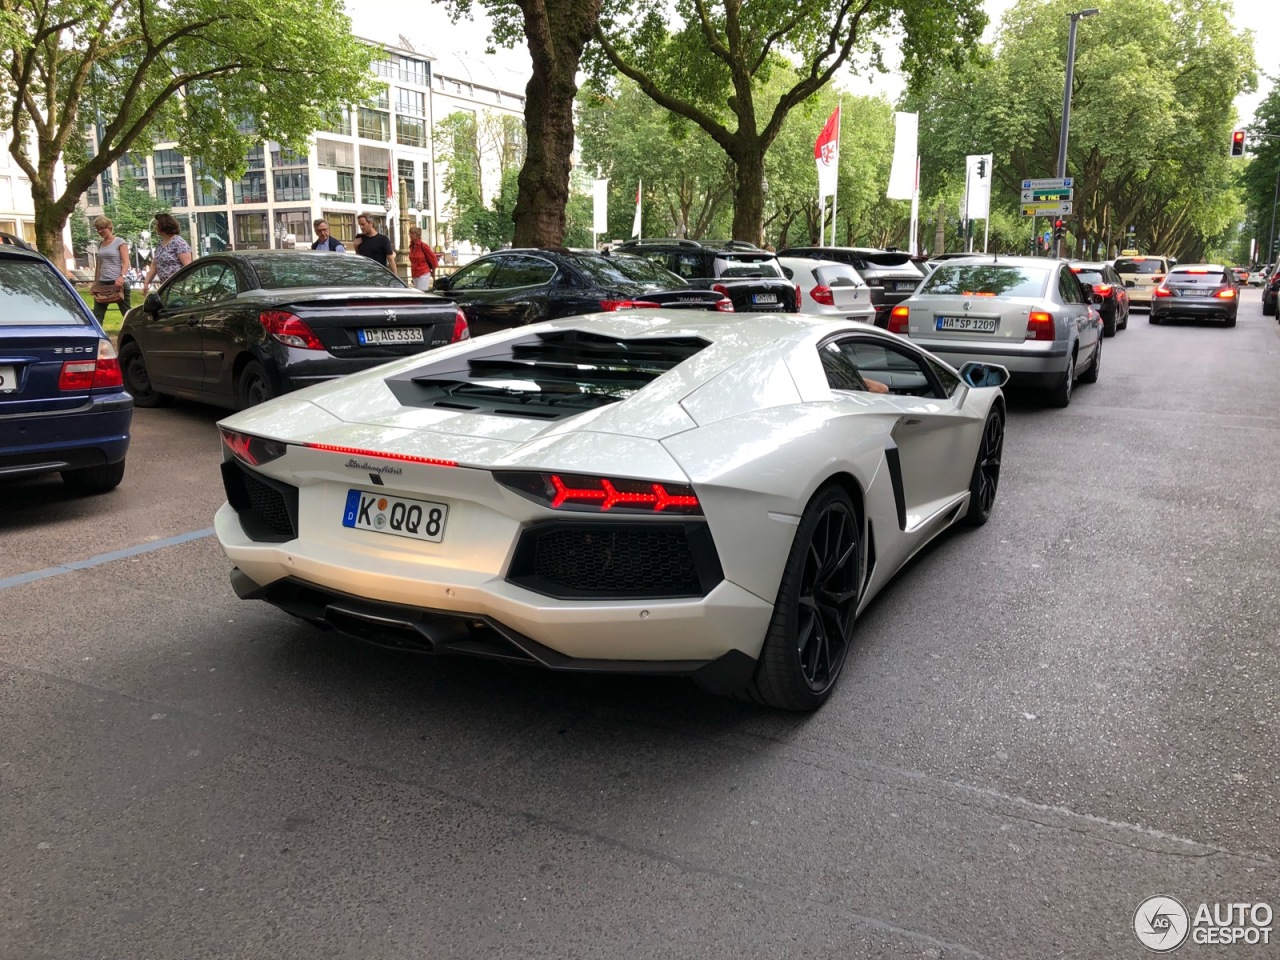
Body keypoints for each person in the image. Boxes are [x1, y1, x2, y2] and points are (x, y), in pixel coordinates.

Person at [90, 216, 130, 321]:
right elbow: (99, 264)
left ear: (109, 227)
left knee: (126, 313)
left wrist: (122, 277)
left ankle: (134, 334)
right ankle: (97, 336)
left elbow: (126, 261)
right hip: (102, 283)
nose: (100, 231)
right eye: (98, 229)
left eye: (102, 228)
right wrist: (95, 282)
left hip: (117, 282)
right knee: (98, 314)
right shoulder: (100, 244)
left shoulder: (120, 242)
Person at [142, 213, 192, 294]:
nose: (155, 227)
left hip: (178, 287)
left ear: (163, 226)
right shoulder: (160, 243)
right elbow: (155, 264)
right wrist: (147, 282)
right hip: (165, 287)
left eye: (157, 225)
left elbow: (188, 266)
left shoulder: (178, 242)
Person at [408, 226, 438, 290]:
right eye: (410, 233)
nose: (410, 235)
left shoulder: (423, 245)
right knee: (417, 294)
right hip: (414, 273)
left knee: (421, 293)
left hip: (423, 272)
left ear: (417, 235)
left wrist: (433, 272)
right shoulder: (411, 246)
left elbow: (434, 259)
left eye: (412, 233)